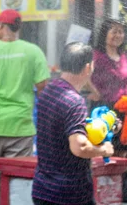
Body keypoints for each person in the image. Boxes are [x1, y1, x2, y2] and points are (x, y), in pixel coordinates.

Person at [0, 9, 50, 205]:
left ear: (2, 27)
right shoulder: (33, 51)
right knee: (18, 177)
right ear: (18, 28)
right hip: (20, 126)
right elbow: (43, 87)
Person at [32, 42, 115, 205]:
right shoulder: (74, 101)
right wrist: (103, 150)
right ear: (87, 68)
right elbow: (79, 147)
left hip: (43, 190)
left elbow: (60, 133)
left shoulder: (48, 90)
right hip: (69, 195)